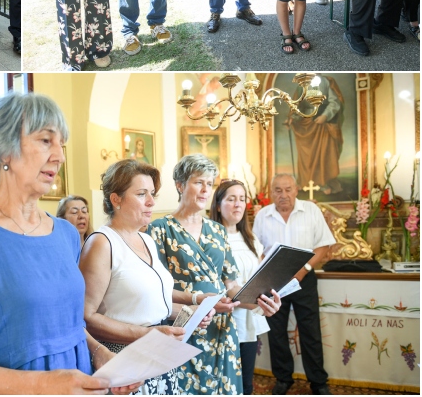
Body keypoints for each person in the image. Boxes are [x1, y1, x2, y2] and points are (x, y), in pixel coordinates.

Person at [0, 94, 139, 395]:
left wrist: (100, 355)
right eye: (46, 140)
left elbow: (67, 324)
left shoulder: (65, 234)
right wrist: (43, 385)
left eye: (62, 144)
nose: (59, 155)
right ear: (5, 150)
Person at [149, 156, 280, 394]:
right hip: (182, 326)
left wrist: (260, 303)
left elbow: (230, 284)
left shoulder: (218, 230)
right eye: (199, 182)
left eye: (209, 184)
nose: (205, 190)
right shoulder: (159, 228)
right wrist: (194, 307)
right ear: (180, 185)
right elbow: (155, 288)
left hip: (220, 328)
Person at [81, 160, 191, 394]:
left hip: (158, 352)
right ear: (116, 199)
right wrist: (146, 333)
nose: (151, 202)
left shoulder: (146, 240)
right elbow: (86, 316)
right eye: (142, 194)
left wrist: (191, 313)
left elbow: (150, 302)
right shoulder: (102, 242)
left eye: (152, 194)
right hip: (124, 357)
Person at [253, 174, 335, 395]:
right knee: (276, 332)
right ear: (272, 192)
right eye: (278, 190)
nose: (283, 195)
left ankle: (318, 382)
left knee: (310, 331)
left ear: (296, 189)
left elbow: (323, 246)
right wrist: (264, 271)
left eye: (288, 189)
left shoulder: (310, 211)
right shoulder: (263, 215)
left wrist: (301, 272)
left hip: (304, 278)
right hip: (273, 282)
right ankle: (283, 379)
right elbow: (257, 250)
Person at [211, 180, 282, 396]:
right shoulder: (212, 237)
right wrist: (258, 304)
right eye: (231, 199)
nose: (237, 205)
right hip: (224, 321)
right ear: (217, 205)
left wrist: (273, 293)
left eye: (242, 199)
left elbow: (260, 276)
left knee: (246, 385)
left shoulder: (249, 238)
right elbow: (227, 285)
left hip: (250, 320)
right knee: (225, 384)